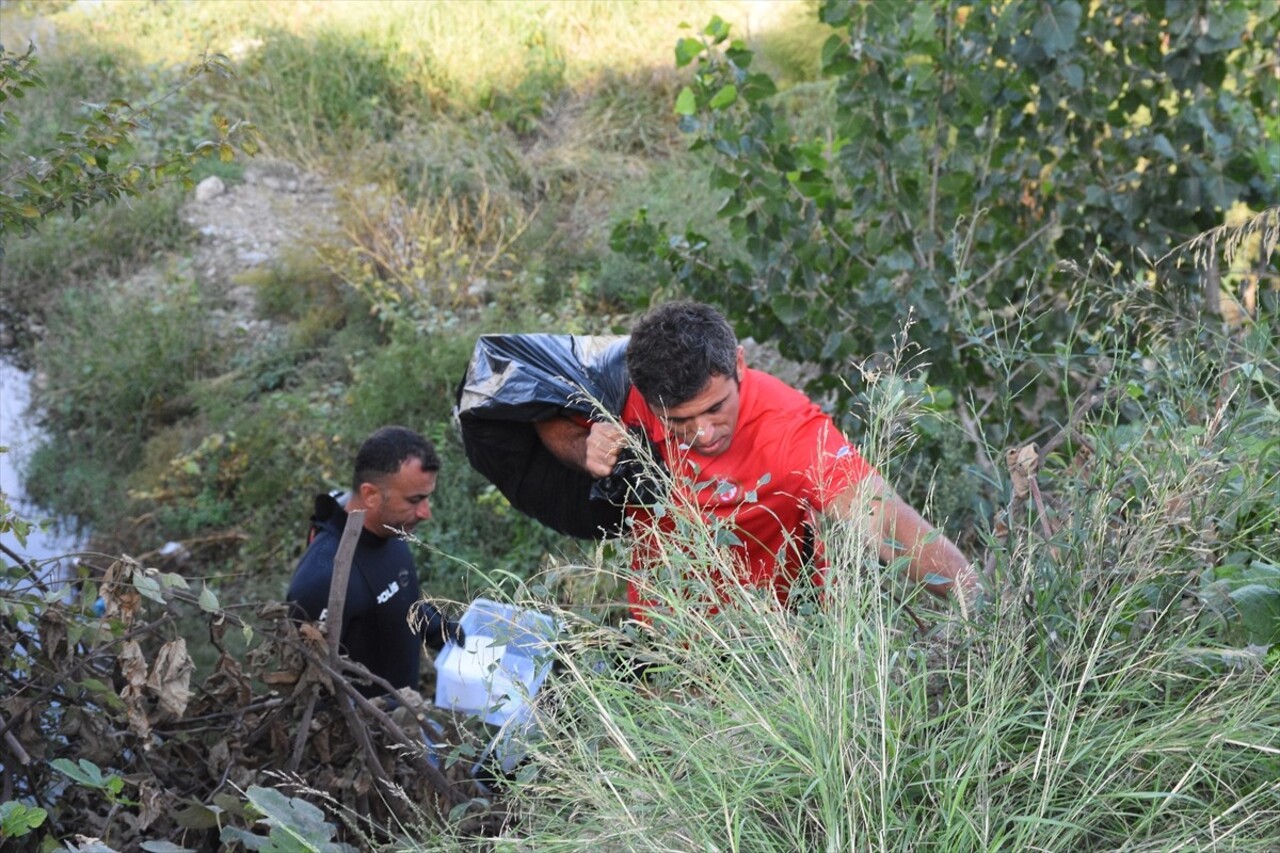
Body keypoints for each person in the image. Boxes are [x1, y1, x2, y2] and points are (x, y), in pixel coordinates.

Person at [534, 301, 979, 618]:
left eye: (715, 408)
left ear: (740, 365)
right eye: (681, 420)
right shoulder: (623, 389)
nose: (704, 433)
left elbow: (884, 521)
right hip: (665, 626)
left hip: (773, 633)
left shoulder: (788, 429)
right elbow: (540, 407)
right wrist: (586, 444)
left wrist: (978, 605)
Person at [287, 426, 463, 696]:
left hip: (407, 719)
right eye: (415, 500)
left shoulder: (389, 529)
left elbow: (400, 603)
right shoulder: (322, 581)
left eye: (427, 497)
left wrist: (460, 638)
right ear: (370, 495)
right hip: (366, 733)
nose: (426, 512)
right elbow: (306, 693)